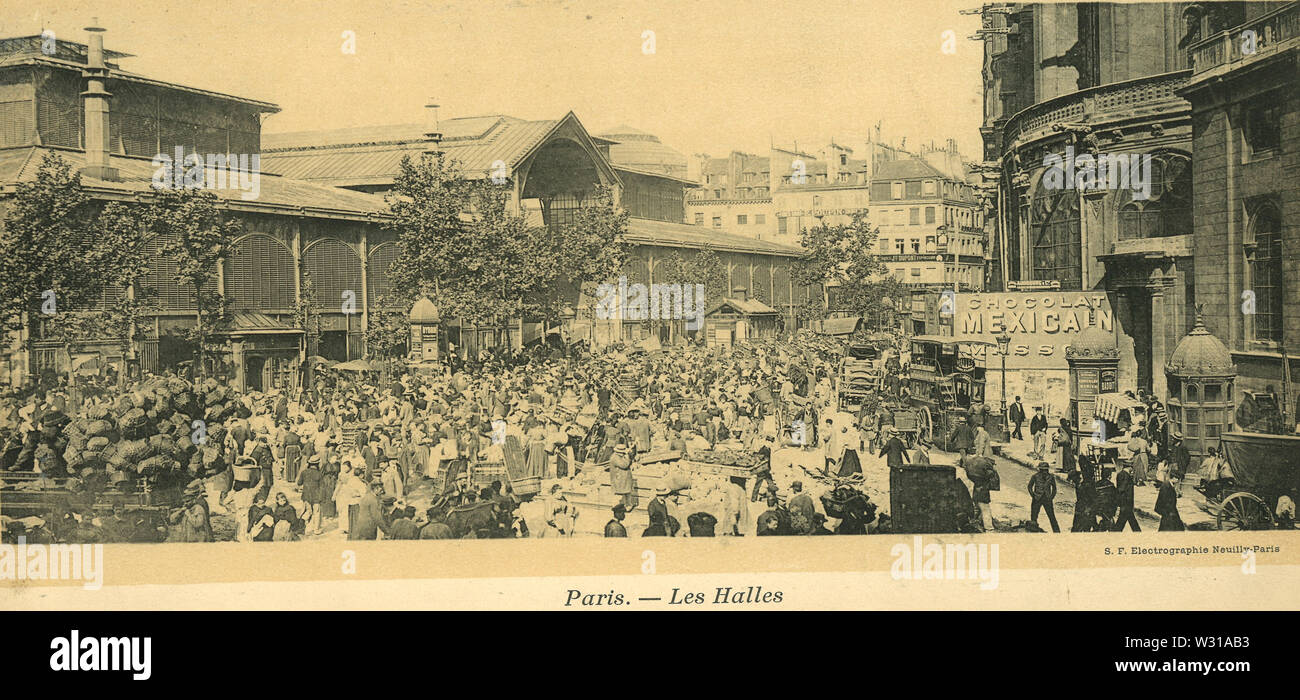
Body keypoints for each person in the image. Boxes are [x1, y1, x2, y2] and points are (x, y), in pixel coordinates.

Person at [1027, 461, 1060, 532]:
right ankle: (1033, 531)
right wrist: (1033, 495)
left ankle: (1057, 532)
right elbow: (1029, 486)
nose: (1044, 472)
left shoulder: (1051, 477)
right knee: (1034, 517)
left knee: (1052, 517)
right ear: (1040, 470)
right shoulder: (1035, 476)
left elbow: (1054, 488)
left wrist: (1051, 497)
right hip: (1037, 499)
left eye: (1046, 470)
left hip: (1047, 499)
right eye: (1042, 470)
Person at [296, 453, 325, 535]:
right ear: (318, 464)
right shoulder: (319, 474)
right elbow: (322, 487)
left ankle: (302, 526)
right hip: (316, 496)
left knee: (308, 512)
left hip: (306, 496)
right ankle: (316, 529)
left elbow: (299, 483)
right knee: (317, 512)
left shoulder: (304, 472)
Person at [1114, 461, 1141, 532]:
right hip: (1126, 503)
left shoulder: (1120, 474)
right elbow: (1122, 488)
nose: (1132, 470)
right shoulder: (1126, 476)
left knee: (1127, 521)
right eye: (1131, 467)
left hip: (1124, 503)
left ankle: (1138, 532)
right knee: (1124, 522)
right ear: (1129, 467)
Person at [609, 444, 636, 511]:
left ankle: (628, 505)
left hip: (624, 478)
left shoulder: (620, 456)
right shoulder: (615, 458)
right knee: (618, 494)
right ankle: (616, 507)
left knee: (627, 492)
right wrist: (627, 456)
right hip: (619, 479)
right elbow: (624, 465)